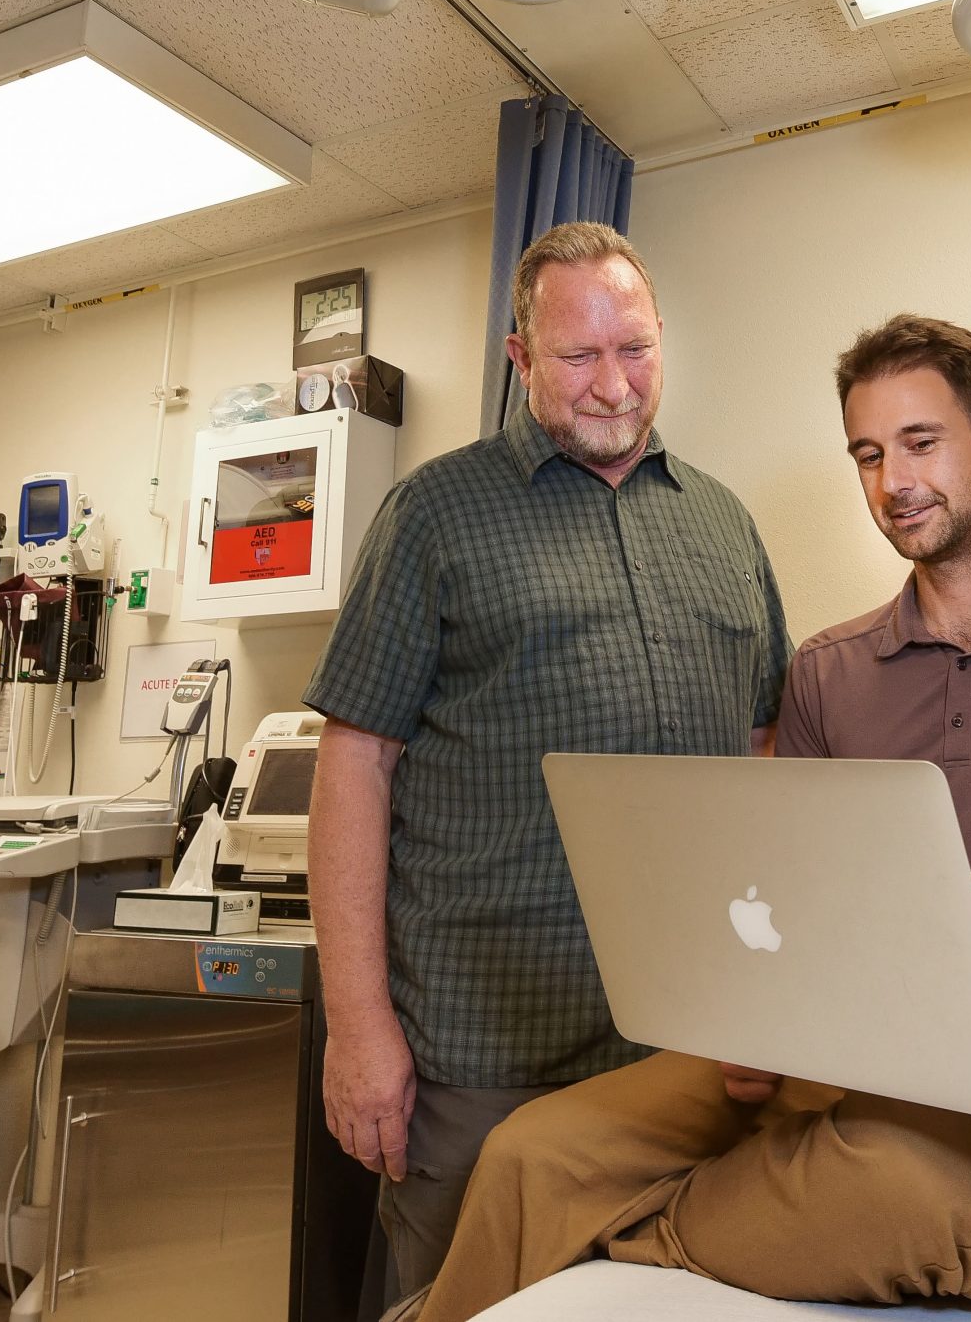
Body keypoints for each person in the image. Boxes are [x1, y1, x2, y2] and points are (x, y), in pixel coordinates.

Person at [405, 315, 971, 1322]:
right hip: (859, 1046)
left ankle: (623, 1240)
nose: (894, 482)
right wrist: (762, 1016)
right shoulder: (830, 670)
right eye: (868, 455)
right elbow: (788, 900)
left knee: (898, 1187)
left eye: (921, 443)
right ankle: (637, 1227)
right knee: (537, 1148)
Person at [303, 221, 791, 1308]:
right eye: (578, 357)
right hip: (483, 1049)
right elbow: (355, 764)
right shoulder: (434, 512)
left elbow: (766, 749)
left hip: (686, 1046)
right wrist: (360, 1025)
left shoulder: (722, 522)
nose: (615, 384)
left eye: (638, 348)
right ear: (520, 358)